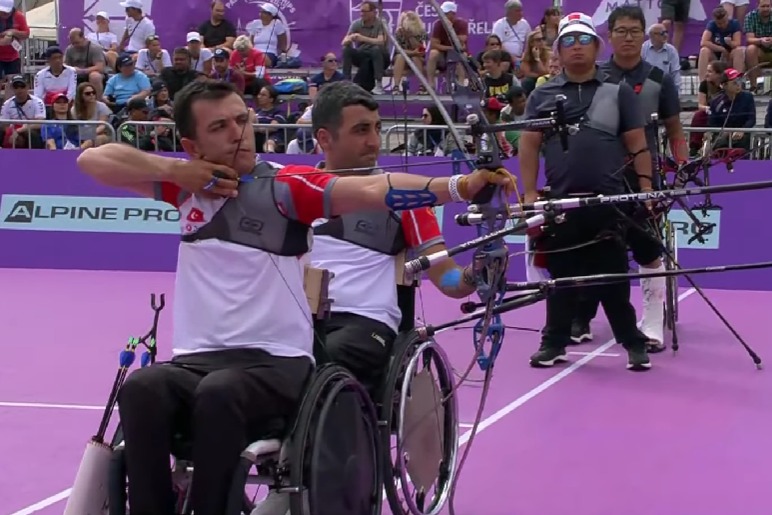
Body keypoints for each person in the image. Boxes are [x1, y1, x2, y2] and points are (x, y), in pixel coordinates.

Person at [75, 79, 516, 515]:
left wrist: (461, 186)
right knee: (142, 388)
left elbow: (370, 190)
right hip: (200, 358)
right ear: (192, 146)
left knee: (220, 393)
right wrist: (173, 170)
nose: (238, 133)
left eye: (242, 121)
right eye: (220, 127)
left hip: (274, 362)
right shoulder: (186, 188)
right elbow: (92, 160)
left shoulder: (287, 186)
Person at [253, 79, 482, 515]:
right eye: (361, 130)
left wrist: (477, 275)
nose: (374, 141)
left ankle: (312, 489)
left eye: (377, 127)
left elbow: (449, 280)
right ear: (324, 138)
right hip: (290, 322)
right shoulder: (289, 187)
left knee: (321, 361)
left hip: (363, 329)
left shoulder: (407, 198)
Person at [520, 12, 653, 371]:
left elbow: (637, 143)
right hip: (560, 202)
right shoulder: (542, 93)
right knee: (561, 277)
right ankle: (554, 343)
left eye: (583, 41)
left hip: (607, 202)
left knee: (612, 277)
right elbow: (529, 145)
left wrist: (645, 188)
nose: (576, 48)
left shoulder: (618, 92)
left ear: (597, 47)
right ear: (558, 51)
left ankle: (632, 342)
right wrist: (530, 192)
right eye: (568, 41)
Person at [572, 5, 688, 353]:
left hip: (643, 177)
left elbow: (674, 128)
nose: (627, 37)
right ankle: (580, 316)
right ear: (608, 36)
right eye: (620, 30)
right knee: (592, 247)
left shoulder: (658, 79)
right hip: (599, 176)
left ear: (644, 34)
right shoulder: (595, 75)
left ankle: (653, 319)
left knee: (647, 249)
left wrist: (681, 165)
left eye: (634, 30)